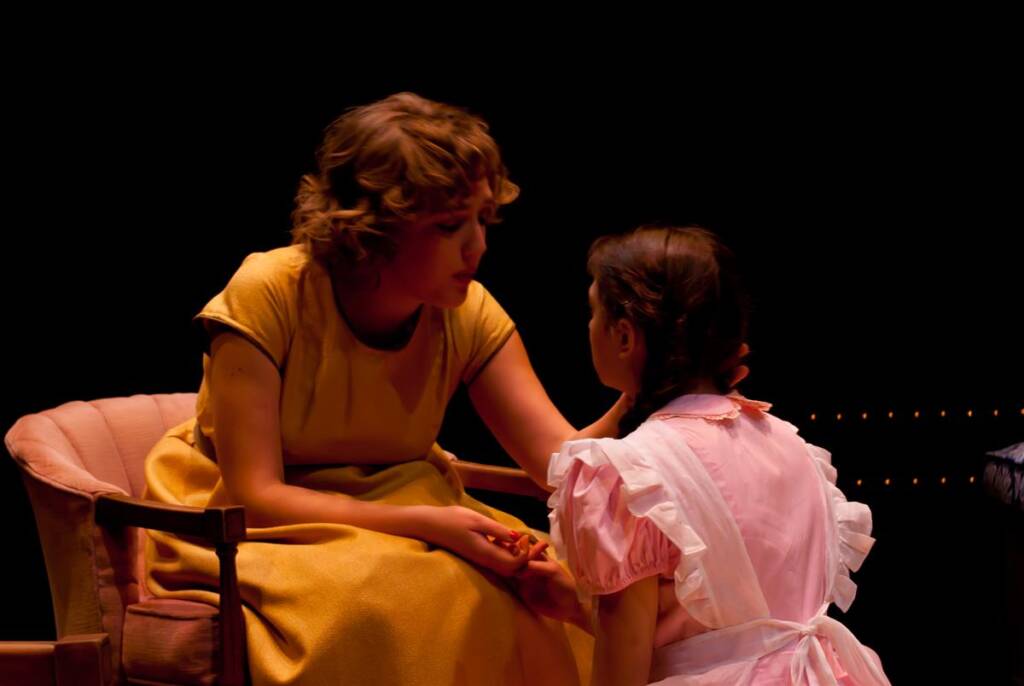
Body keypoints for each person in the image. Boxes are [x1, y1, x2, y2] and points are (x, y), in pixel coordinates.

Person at [143, 92, 633, 685]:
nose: (477, 246)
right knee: (400, 595)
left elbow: (564, 464)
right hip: (259, 522)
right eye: (450, 226)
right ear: (373, 226)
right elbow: (255, 493)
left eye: (483, 219)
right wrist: (431, 525)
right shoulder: (270, 292)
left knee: (556, 583)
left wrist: (648, 395)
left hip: (407, 505)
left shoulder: (466, 312)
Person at [540, 225, 891, 685]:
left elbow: (622, 671)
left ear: (624, 337)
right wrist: (573, 603)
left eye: (591, 314)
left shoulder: (631, 477)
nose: (587, 328)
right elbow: (733, 641)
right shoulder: (792, 446)